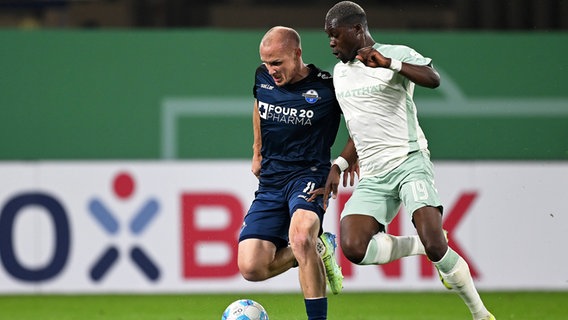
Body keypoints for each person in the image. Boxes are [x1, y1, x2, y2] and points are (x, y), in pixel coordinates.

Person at [321, 2, 496, 319]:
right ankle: (418, 247)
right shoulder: (339, 74)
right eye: (328, 37)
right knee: (353, 247)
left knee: (435, 244)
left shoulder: (394, 53)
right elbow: (359, 130)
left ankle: (481, 314)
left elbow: (433, 78)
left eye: (335, 35)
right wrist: (340, 165)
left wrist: (391, 64)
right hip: (374, 176)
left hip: (408, 161)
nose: (331, 43)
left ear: (357, 30)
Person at [237, 26, 343, 320]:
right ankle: (322, 245)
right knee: (251, 268)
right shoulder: (262, 78)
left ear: (297, 54)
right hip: (271, 181)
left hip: (309, 174)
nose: (270, 70)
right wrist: (257, 150)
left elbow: (362, 122)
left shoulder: (326, 88)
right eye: (267, 63)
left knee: (299, 238)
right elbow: (259, 104)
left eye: (277, 63)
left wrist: (343, 162)